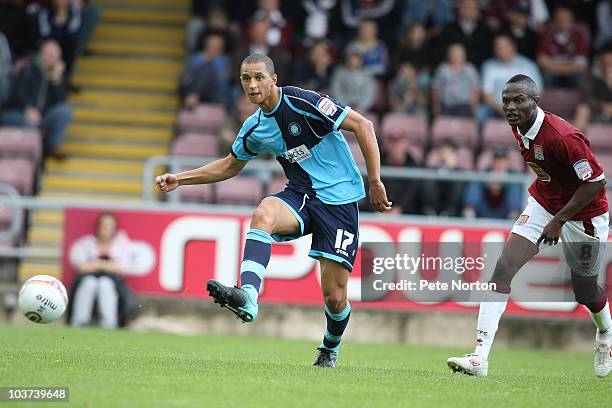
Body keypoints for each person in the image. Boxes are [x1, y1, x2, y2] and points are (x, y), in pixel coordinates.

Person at [156, 53, 391, 368]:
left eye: (258, 77)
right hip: (301, 196)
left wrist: (375, 180)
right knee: (264, 211)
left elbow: (363, 125)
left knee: (335, 296)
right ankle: (249, 296)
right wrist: (180, 179)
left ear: (273, 79)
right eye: (245, 78)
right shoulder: (255, 127)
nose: (252, 85)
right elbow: (229, 165)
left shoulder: (305, 102)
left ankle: (329, 348)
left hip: (339, 199)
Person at [447, 74, 611, 378]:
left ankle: (605, 333)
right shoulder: (518, 125)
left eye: (519, 100)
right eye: (506, 100)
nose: (511, 106)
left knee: (585, 291)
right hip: (543, 203)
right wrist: (550, 214)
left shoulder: (564, 137)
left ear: (536, 102)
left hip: (584, 215)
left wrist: (559, 220)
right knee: (503, 267)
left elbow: (595, 182)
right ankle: (479, 356)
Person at [1, 40, 71, 159]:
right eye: (49, 54)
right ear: (41, 54)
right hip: (18, 113)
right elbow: (15, 95)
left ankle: (51, 148)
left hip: (41, 116)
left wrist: (56, 81)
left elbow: (60, 102)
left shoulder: (56, 76)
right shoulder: (27, 68)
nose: (52, 59)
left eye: (55, 56)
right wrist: (27, 109)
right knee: (29, 124)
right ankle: (33, 157)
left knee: (64, 110)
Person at [68, 212, 135, 329]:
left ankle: (109, 324)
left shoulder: (121, 244)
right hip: (87, 279)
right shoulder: (86, 243)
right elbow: (81, 266)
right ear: (98, 227)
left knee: (105, 284)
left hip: (113, 283)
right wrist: (108, 265)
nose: (107, 230)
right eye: (104, 226)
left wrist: (96, 264)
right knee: (89, 283)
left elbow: (123, 267)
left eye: (110, 227)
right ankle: (79, 322)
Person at [462, 147, 522, 220]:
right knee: (475, 184)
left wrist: (502, 184)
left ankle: (513, 216)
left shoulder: (514, 175)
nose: (499, 163)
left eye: (502, 161)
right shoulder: (485, 173)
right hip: (485, 208)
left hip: (505, 210)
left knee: (514, 188)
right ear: (492, 162)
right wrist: (489, 185)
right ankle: (470, 212)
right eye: (497, 160)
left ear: (507, 162)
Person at [431, 43, 480, 117]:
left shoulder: (470, 69)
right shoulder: (442, 69)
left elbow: (475, 89)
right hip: (446, 104)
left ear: (464, 55)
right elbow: (435, 87)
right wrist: (436, 105)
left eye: (459, 53)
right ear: (448, 55)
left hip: (465, 105)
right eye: (453, 53)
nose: (456, 56)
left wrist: (474, 105)